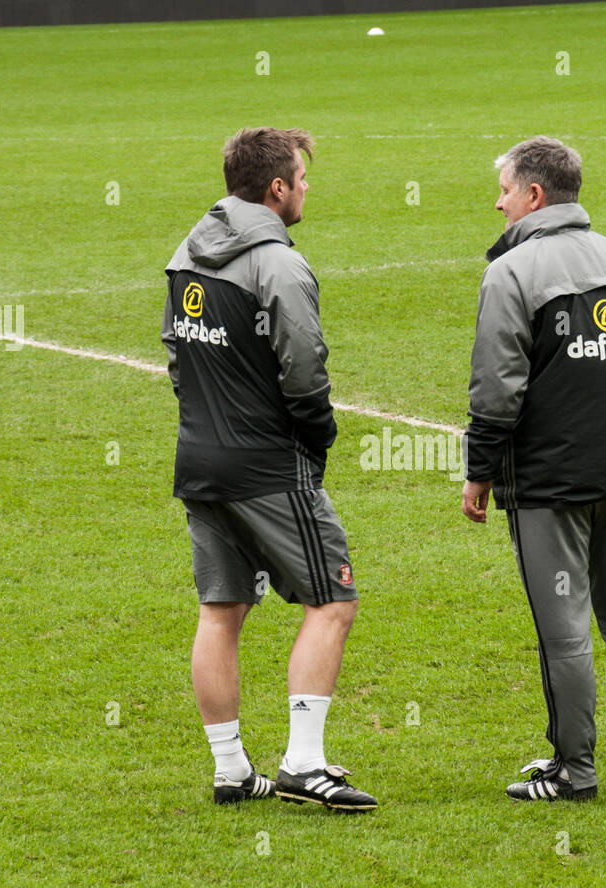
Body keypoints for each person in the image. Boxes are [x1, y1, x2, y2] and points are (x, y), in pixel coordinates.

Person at [161, 127, 375, 811]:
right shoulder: (278, 265)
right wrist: (319, 434)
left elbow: (175, 354)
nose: (308, 186)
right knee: (332, 600)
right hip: (266, 465)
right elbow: (305, 369)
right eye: (301, 177)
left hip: (198, 456)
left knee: (221, 608)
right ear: (275, 188)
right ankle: (304, 764)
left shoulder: (185, 253)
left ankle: (231, 768)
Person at [461, 136, 606, 801]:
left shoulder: (512, 274)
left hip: (550, 485)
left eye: (503, 189)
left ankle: (574, 772)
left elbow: (497, 387)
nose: (497, 203)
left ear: (534, 195)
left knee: (566, 633)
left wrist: (479, 470)